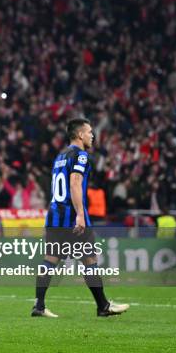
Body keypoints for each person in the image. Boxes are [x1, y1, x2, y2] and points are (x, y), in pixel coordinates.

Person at [32, 117, 130, 318]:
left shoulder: (60, 156)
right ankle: (103, 306)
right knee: (89, 259)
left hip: (54, 217)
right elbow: (75, 183)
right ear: (79, 135)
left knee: (49, 260)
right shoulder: (81, 155)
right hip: (71, 217)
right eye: (89, 132)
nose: (92, 135)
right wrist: (80, 215)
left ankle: (39, 305)